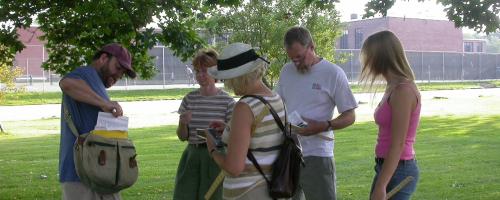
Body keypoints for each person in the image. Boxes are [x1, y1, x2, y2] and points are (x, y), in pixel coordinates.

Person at [276, 27, 358, 200]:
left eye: (299, 57)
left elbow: (350, 115)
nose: (296, 63)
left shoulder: (333, 73)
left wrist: (324, 126)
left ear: (312, 46)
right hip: (288, 153)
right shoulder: (286, 71)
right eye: (292, 58)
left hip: (317, 155)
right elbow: (277, 106)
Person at [206, 43, 286, 200]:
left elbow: (234, 167)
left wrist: (212, 150)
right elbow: (262, 137)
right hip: (274, 188)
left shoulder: (245, 107)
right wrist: (230, 129)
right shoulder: (275, 98)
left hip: (247, 192)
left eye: (228, 79)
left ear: (239, 78)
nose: (226, 84)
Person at [59, 43, 136, 200]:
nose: (119, 75)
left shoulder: (96, 84)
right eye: (118, 67)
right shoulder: (86, 74)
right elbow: (66, 83)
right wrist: (105, 103)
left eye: (123, 73)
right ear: (103, 58)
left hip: (101, 171)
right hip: (79, 173)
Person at [360, 31, 421, 200]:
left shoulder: (403, 91)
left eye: (369, 56)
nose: (366, 62)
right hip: (386, 167)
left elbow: (398, 144)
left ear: (381, 57)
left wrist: (381, 186)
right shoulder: (392, 87)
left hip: (400, 170)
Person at [173, 49, 235, 200]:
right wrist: (182, 123)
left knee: (213, 196)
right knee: (186, 195)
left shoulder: (228, 102)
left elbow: (231, 136)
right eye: (197, 71)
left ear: (215, 73)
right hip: (192, 155)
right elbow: (182, 137)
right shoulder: (189, 99)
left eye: (204, 71)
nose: (200, 75)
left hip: (216, 157)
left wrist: (222, 131)